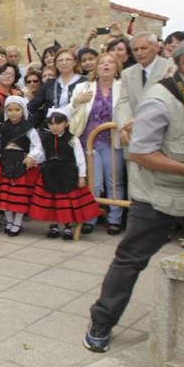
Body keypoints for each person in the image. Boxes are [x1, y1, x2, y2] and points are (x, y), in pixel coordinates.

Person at [84, 34, 184, 352]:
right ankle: (102, 321)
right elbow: (140, 154)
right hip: (158, 199)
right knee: (130, 260)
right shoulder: (160, 101)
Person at [70, 56, 124, 234]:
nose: (106, 65)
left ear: (117, 67)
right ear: (96, 68)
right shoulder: (83, 87)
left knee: (114, 181)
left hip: (113, 141)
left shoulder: (123, 87)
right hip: (89, 141)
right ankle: (90, 218)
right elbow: (70, 111)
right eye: (102, 63)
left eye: (110, 62)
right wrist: (77, 101)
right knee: (94, 182)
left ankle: (114, 219)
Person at [27, 109, 100, 239]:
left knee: (66, 202)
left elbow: (80, 158)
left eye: (58, 123)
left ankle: (68, 226)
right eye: (51, 124)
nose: (54, 127)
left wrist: (82, 175)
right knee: (52, 201)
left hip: (67, 174)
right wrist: (33, 158)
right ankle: (54, 225)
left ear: (66, 123)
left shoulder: (72, 139)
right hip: (50, 173)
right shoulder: (45, 138)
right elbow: (41, 152)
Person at [0, 96, 42, 237]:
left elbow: (37, 146)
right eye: (10, 110)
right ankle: (9, 220)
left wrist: (32, 156)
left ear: (23, 110)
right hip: (4, 163)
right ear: (6, 111)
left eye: (17, 109)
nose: (14, 113)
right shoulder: (1, 128)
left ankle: (18, 221)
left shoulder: (29, 128)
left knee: (19, 196)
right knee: (5, 195)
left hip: (21, 164)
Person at [114, 32, 171, 148]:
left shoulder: (171, 68)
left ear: (156, 48)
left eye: (143, 48)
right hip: (134, 140)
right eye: (135, 50)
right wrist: (124, 127)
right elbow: (123, 102)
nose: (139, 53)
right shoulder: (127, 74)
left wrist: (140, 121)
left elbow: (170, 103)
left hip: (163, 139)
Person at [30, 49, 86, 127]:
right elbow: (32, 106)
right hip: (52, 129)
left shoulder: (86, 82)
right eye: (60, 60)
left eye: (68, 59)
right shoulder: (49, 84)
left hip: (78, 127)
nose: (64, 63)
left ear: (75, 62)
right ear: (56, 64)